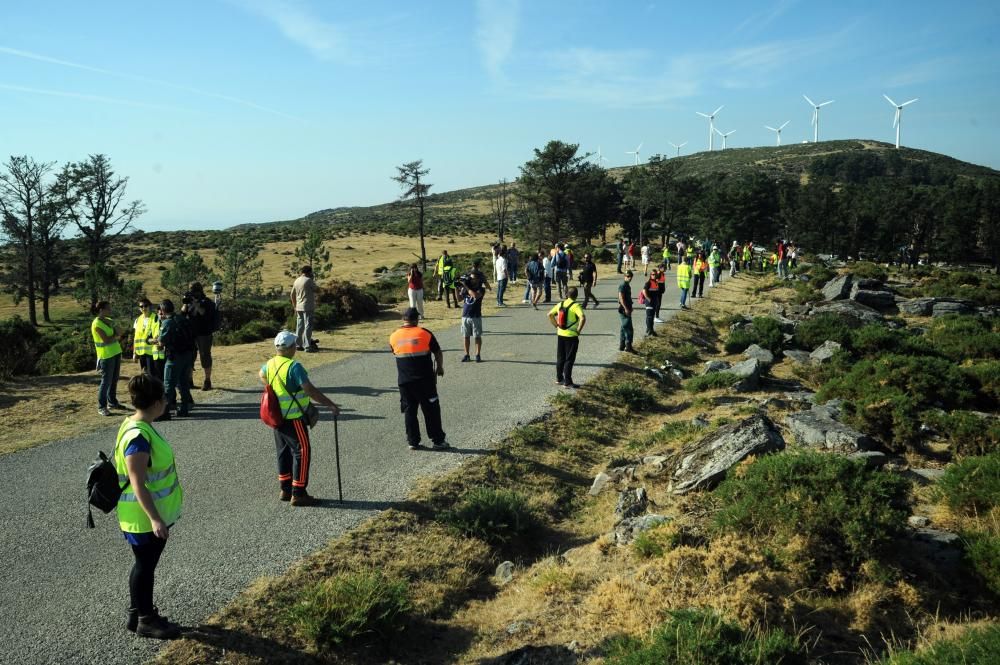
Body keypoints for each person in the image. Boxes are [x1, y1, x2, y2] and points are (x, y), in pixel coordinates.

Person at [113, 373, 184, 639]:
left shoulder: (136, 425)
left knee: (143, 565)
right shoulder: (138, 438)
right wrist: (155, 519)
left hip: (145, 515)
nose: (167, 403)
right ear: (155, 403)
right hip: (143, 517)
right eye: (164, 399)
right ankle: (145, 620)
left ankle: (138, 613)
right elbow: (138, 483)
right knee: (145, 566)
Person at [260, 331, 340, 506]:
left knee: (283, 452)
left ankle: (285, 489)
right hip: (294, 418)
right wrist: (330, 404)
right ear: (291, 348)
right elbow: (309, 390)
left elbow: (262, 375)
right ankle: (299, 492)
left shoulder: (270, 363)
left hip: (277, 417)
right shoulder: (294, 367)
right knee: (302, 452)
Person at [389, 308, 448, 450]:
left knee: (409, 410)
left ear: (403, 319)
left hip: (404, 381)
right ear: (417, 319)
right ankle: (438, 440)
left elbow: (395, 353)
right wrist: (439, 367)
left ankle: (413, 441)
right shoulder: (425, 333)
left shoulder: (393, 336)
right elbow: (437, 352)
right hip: (425, 381)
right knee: (431, 410)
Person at [155, 299, 194, 420]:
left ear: (162, 310)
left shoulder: (167, 323)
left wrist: (152, 340)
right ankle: (184, 409)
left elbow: (161, 342)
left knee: (168, 384)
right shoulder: (181, 319)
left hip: (174, 356)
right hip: (187, 355)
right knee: (183, 383)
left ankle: (164, 412)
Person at [548, 287, 586, 388]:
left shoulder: (560, 304)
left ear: (567, 295)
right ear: (576, 295)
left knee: (560, 357)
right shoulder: (576, 306)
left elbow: (550, 315)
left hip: (560, 334)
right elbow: (582, 318)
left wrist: (556, 325)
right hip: (571, 336)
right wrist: (578, 330)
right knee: (569, 359)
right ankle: (568, 382)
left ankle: (559, 378)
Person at [92, 300, 125, 417]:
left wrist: (114, 324)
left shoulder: (110, 321)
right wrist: (116, 337)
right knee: (106, 382)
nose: (110, 310)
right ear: (101, 310)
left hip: (116, 353)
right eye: (108, 308)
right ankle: (102, 406)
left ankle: (112, 402)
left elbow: (122, 332)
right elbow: (106, 340)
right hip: (106, 356)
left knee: (114, 379)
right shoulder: (96, 324)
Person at [185, 283, 217, 390]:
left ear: (199, 291)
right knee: (189, 356)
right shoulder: (189, 301)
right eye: (191, 291)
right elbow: (181, 314)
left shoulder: (207, 302)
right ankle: (189, 380)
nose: (193, 294)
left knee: (205, 356)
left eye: (194, 291)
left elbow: (204, 313)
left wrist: (196, 304)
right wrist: (186, 303)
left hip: (204, 333)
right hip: (191, 333)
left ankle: (207, 381)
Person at [459, 268, 485, 362]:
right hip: (465, 316)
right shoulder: (466, 288)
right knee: (466, 336)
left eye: (472, 278)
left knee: (477, 336)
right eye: (470, 278)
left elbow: (475, 296)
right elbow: (459, 299)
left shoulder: (481, 289)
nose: (470, 279)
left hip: (476, 316)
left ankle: (477, 355)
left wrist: (465, 286)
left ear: (477, 279)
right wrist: (456, 288)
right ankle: (467, 355)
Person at [290, 265, 318, 353]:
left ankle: (298, 345)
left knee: (300, 326)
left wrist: (295, 306)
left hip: (299, 307)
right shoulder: (309, 280)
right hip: (308, 306)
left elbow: (292, 295)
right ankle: (307, 346)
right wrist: (313, 280)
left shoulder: (297, 280)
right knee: (308, 326)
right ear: (309, 272)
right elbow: (317, 290)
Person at [132, 299, 156, 377]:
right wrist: (134, 353)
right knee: (144, 374)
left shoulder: (155, 318)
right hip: (142, 353)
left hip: (153, 352)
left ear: (150, 306)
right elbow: (136, 338)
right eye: (141, 306)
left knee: (152, 375)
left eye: (146, 306)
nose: (143, 308)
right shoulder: (138, 320)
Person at [641, 269, 663, 337]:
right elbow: (644, 291)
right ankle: (649, 330)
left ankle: (651, 330)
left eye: (655, 274)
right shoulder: (648, 282)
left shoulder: (656, 282)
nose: (654, 276)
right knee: (649, 317)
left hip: (654, 303)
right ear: (650, 275)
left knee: (652, 317)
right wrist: (648, 299)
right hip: (649, 303)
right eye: (653, 274)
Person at [618, 270, 635, 353]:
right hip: (624, 309)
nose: (629, 278)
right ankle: (628, 346)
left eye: (631, 276)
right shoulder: (623, 285)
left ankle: (622, 345)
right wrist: (626, 308)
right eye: (628, 276)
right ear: (624, 276)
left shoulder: (627, 285)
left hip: (627, 307)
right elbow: (621, 298)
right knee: (628, 328)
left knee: (623, 327)